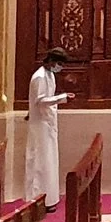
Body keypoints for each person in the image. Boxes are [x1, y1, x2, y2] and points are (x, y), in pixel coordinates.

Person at [25, 49, 70, 210]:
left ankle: (50, 198)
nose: (60, 67)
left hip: (48, 122)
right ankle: (37, 200)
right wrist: (62, 98)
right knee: (39, 162)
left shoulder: (50, 75)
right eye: (59, 64)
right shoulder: (39, 77)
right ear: (50, 61)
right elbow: (41, 101)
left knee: (49, 161)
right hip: (40, 125)